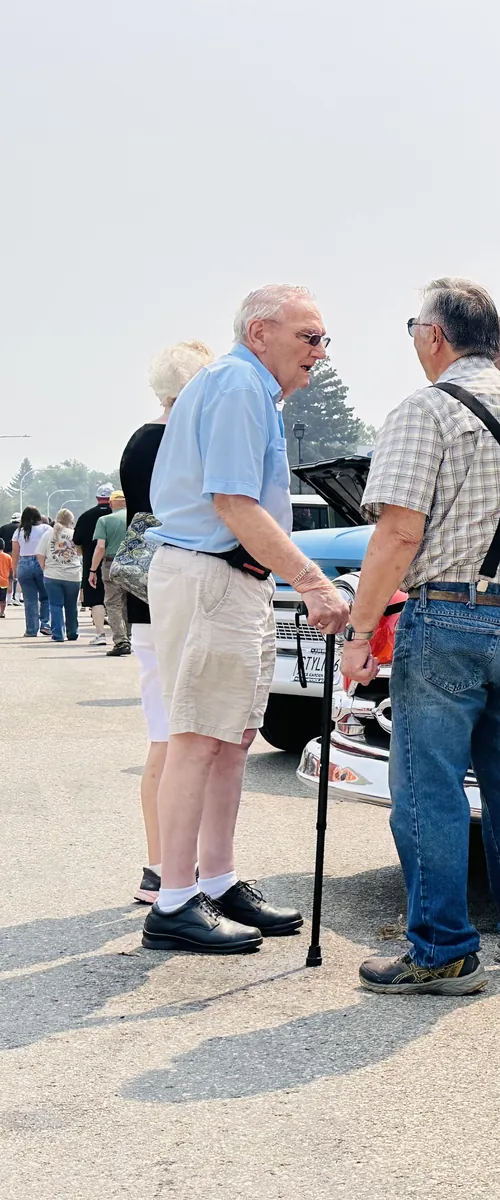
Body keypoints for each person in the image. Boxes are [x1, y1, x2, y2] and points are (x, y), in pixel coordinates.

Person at [342, 278, 500, 996]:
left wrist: (358, 631)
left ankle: (442, 947)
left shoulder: (425, 410)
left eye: (416, 325)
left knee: (428, 784)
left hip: (445, 614)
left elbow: (399, 531)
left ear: (435, 336)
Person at [141, 286, 349, 954]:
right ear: (261, 332)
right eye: (309, 337)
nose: (319, 352)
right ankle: (174, 899)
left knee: (230, 737)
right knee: (200, 737)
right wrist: (313, 582)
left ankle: (219, 879)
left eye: (322, 340)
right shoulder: (237, 384)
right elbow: (231, 501)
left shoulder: (250, 389)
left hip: (232, 579)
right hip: (210, 574)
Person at [121, 339, 214, 904]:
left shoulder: (139, 440)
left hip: (144, 601)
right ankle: (175, 867)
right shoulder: (178, 442)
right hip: (177, 595)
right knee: (182, 739)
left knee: (162, 734)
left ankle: (159, 863)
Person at [90, 490, 130, 656]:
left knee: (113, 603)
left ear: (111, 504)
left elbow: (100, 547)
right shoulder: (135, 518)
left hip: (111, 563)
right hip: (132, 562)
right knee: (129, 602)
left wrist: (92, 570)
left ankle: (121, 641)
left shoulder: (104, 520)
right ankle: (131, 636)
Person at [75, 484, 115, 646]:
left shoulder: (86, 516)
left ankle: (101, 634)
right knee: (118, 599)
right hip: (117, 562)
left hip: (93, 563)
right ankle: (123, 635)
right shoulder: (121, 516)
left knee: (96, 599)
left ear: (97, 498)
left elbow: (76, 541)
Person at [39, 507, 82, 641]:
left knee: (55, 605)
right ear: (71, 521)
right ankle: (72, 632)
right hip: (73, 575)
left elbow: (40, 554)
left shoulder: (48, 534)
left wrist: (44, 568)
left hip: (52, 575)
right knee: (71, 605)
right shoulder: (74, 533)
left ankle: (58, 634)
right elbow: (80, 553)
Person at [12, 507, 49, 634]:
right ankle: (45, 624)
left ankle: (31, 630)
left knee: (30, 600)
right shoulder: (45, 529)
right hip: (42, 563)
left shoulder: (18, 532)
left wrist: (14, 569)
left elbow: (15, 553)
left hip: (24, 564)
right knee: (46, 596)